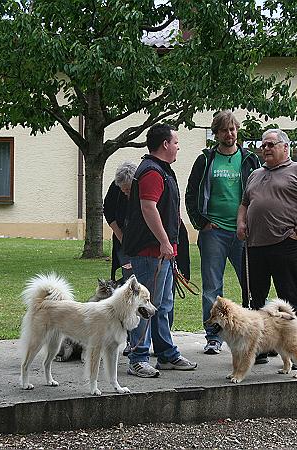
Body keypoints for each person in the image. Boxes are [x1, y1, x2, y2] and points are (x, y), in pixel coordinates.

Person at [237, 129, 297, 364]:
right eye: (263, 145)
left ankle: (295, 349)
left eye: (271, 144)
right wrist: (241, 222)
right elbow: (244, 204)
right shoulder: (255, 174)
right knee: (256, 298)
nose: (265, 148)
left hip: (286, 245)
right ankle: (262, 346)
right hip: (255, 247)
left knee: (290, 298)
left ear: (285, 147)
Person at [122, 123, 197, 378]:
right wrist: (165, 241)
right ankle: (138, 357)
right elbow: (148, 208)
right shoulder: (152, 172)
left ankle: (166, 354)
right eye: (176, 142)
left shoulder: (163, 171)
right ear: (165, 144)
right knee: (144, 304)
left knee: (163, 304)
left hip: (163, 252)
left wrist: (171, 246)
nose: (178, 147)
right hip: (148, 252)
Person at [186, 110, 260, 355]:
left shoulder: (249, 159)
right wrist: (201, 222)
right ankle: (214, 337)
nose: (230, 134)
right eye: (225, 130)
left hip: (243, 232)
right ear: (216, 133)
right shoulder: (206, 160)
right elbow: (191, 194)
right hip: (213, 234)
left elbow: (259, 191)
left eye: (233, 129)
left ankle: (252, 335)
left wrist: (252, 223)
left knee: (250, 283)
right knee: (212, 287)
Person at [104, 161, 137, 282]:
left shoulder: (142, 185)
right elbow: (108, 212)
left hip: (140, 238)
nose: (125, 192)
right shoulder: (115, 188)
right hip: (122, 236)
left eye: (128, 189)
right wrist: (122, 239)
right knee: (128, 274)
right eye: (123, 189)